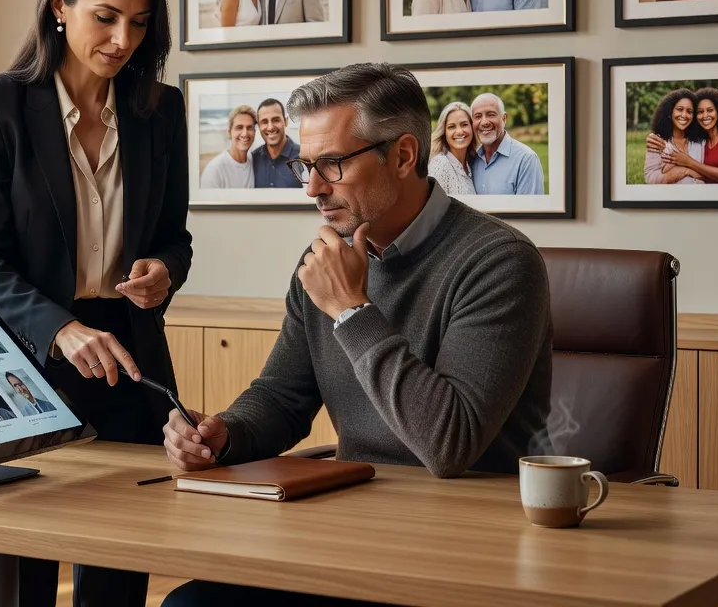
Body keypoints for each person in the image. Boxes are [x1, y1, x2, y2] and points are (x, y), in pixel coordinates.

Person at [160, 63, 553, 607]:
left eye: (333, 165)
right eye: (305, 165)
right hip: (355, 527)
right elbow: (283, 396)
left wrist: (351, 309)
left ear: (405, 155)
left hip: (469, 549)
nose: (313, 189)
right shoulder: (326, 262)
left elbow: (450, 444)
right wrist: (224, 433)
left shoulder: (499, 263)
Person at [0, 0, 192, 607]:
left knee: (117, 580)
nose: (123, 40)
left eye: (140, 23)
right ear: (60, 5)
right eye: (105, 17)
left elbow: (176, 237)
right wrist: (60, 329)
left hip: (130, 360)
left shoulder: (160, 111)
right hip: (26, 364)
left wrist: (163, 271)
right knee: (19, 586)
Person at [655, 87, 718, 184]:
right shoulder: (702, 142)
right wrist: (652, 137)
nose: (705, 116)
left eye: (710, 110)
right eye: (700, 112)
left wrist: (688, 162)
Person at [469, 92, 544, 195]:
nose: (484, 122)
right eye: (477, 116)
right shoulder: (472, 160)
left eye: (491, 115)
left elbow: (531, 209)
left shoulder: (526, 160)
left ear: (504, 119)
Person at [642, 88, 706, 184]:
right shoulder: (658, 141)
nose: (684, 115)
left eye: (689, 111)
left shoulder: (700, 141)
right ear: (670, 112)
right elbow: (651, 179)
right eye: (679, 109)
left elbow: (712, 174)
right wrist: (685, 171)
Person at [199, 105, 257, 189]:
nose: (245, 133)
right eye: (239, 127)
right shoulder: (214, 170)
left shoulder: (254, 162)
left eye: (249, 128)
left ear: (254, 132)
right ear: (229, 132)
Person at [427, 101, 477, 195]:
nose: (459, 131)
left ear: (472, 127)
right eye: (451, 127)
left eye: (464, 124)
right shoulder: (440, 165)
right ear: (444, 132)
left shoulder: (472, 164)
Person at [250, 98, 302, 188]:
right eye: (264, 122)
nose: (270, 127)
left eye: (276, 120)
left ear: (285, 122)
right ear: (258, 126)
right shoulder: (253, 159)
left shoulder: (303, 157)